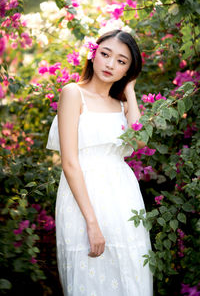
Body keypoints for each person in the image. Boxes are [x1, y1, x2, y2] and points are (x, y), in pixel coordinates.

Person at [46, 29, 153, 296]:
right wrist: (92, 223)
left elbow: (140, 142)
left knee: (130, 270)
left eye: (121, 61)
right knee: (91, 276)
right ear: (93, 54)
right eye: (105, 54)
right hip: (84, 196)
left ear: (129, 70)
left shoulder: (120, 104)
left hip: (123, 195)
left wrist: (130, 93)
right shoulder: (73, 94)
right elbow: (69, 162)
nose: (110, 64)